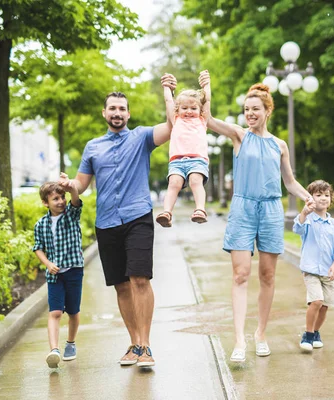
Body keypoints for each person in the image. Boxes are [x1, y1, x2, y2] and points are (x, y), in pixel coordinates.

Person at [60, 74, 177, 368]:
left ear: (128, 113)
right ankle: (135, 343)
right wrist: (68, 184)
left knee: (140, 279)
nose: (117, 113)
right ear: (104, 113)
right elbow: (81, 184)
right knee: (122, 286)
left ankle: (146, 346)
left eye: (122, 109)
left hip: (138, 216)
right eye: (112, 108)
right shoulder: (92, 147)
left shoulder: (141, 137)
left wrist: (168, 93)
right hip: (107, 222)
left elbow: (173, 126)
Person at [198, 70, 315, 362]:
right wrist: (207, 91)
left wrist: (306, 196)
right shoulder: (239, 136)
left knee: (268, 275)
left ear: (267, 110)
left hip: (272, 210)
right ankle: (239, 341)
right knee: (240, 274)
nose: (249, 114)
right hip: (243, 208)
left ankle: (260, 333)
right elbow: (209, 121)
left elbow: (288, 182)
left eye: (255, 110)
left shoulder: (279, 145)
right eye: (246, 110)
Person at [33, 177, 84, 368]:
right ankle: (54, 350)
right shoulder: (41, 224)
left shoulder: (71, 215)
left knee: (73, 311)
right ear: (45, 202)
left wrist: (70, 187)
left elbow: (75, 200)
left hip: (73, 270)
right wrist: (47, 264)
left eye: (62, 197)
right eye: (55, 199)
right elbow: (38, 247)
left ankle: (70, 343)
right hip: (54, 275)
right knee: (55, 312)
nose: (61, 201)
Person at [293, 179, 334, 352]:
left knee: (325, 306)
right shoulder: (308, 220)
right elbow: (297, 228)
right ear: (310, 198)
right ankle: (307, 334)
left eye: (326, 195)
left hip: (327, 271)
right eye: (318, 195)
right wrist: (304, 213)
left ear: (331, 199)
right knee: (316, 301)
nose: (323, 198)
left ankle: (315, 332)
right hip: (311, 270)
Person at [155, 85, 210, 227]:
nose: (189, 111)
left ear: (200, 110)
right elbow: (168, 101)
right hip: (176, 162)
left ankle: (200, 209)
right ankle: (166, 213)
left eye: (193, 108)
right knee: (173, 183)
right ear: (177, 110)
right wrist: (166, 87)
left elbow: (207, 100)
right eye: (184, 108)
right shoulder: (176, 120)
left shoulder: (202, 120)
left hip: (197, 160)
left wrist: (206, 86)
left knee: (195, 181)